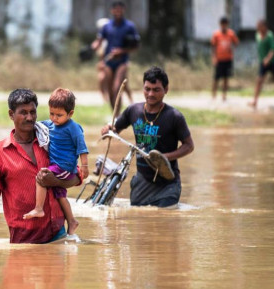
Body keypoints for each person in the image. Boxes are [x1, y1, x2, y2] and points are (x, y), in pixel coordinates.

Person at [0, 89, 81, 244]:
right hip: (23, 237)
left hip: (58, 233)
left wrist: (55, 181)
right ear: (11, 114)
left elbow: (76, 176)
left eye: (32, 112)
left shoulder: (50, 141)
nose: (29, 117)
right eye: (23, 112)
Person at [101, 66, 194, 207]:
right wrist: (108, 128)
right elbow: (115, 128)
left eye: (156, 90)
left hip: (167, 184)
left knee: (163, 219)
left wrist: (165, 157)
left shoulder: (174, 116)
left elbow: (189, 146)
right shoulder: (133, 110)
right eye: (147, 89)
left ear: (166, 90)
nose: (150, 94)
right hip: (142, 181)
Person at [23, 88, 89, 236]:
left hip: (64, 166)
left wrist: (84, 166)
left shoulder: (73, 128)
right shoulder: (51, 124)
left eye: (59, 115)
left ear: (70, 113)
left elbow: (82, 147)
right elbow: (37, 124)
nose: (54, 118)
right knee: (60, 195)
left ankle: (39, 208)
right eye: (51, 113)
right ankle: (72, 220)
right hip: (58, 166)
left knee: (42, 177)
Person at [92, 1, 140, 112]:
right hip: (109, 61)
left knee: (117, 87)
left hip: (122, 61)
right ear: (112, 11)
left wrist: (122, 51)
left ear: (124, 10)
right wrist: (91, 49)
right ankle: (114, 115)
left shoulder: (129, 26)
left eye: (120, 9)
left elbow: (136, 46)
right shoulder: (107, 26)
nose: (118, 12)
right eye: (116, 9)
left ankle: (118, 115)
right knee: (110, 90)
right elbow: (98, 41)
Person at [249, 19, 274, 108]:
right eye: (257, 26)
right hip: (263, 63)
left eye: (259, 26)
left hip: (272, 62)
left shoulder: (270, 35)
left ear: (264, 26)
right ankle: (255, 101)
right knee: (259, 81)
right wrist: (263, 59)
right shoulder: (257, 35)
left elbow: (273, 49)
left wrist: (268, 59)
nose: (258, 27)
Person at [211, 17, 239, 101]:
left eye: (225, 24)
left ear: (227, 24)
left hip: (228, 59)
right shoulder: (216, 34)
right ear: (220, 25)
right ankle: (214, 95)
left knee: (226, 78)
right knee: (216, 78)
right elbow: (213, 47)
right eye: (222, 24)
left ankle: (224, 95)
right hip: (219, 59)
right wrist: (214, 57)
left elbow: (236, 42)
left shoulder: (231, 34)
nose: (224, 26)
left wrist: (232, 49)